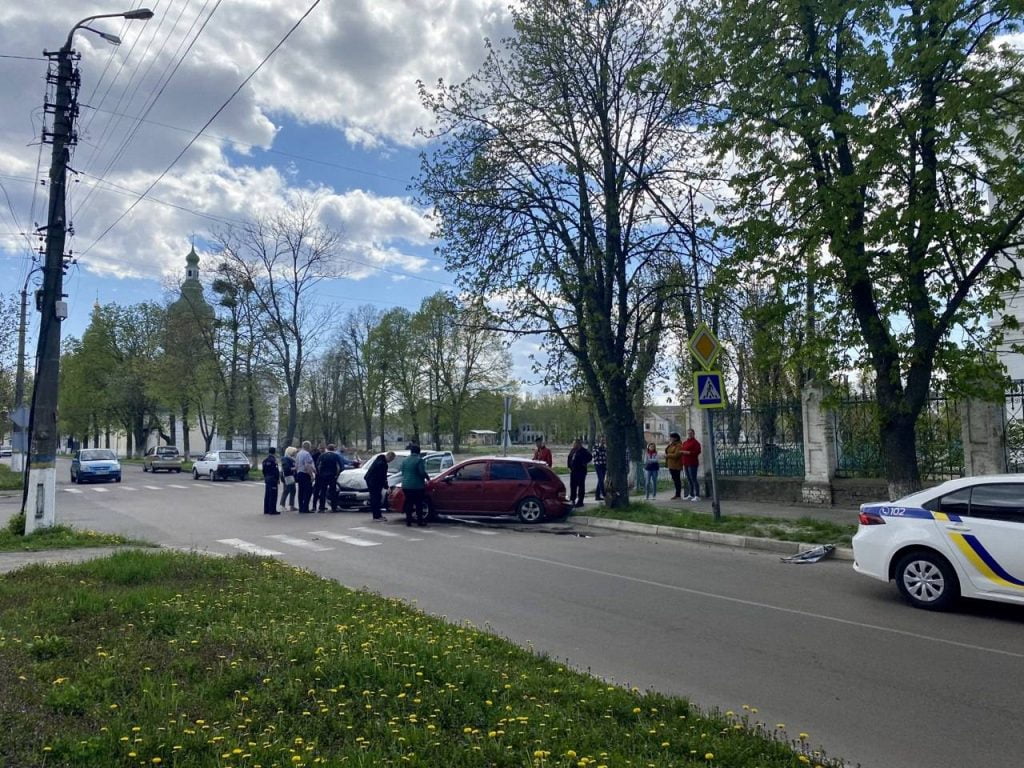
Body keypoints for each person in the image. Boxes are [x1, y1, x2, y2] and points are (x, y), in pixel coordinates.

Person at [400, 444, 431, 527]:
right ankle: (419, 521)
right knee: (418, 504)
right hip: (417, 486)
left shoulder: (405, 460)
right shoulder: (419, 460)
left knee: (409, 503)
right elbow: (421, 472)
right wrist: (427, 478)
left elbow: (402, 472)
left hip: (406, 485)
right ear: (419, 451)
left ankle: (408, 521)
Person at [365, 450, 396, 521]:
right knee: (376, 498)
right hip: (374, 482)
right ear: (389, 457)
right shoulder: (383, 464)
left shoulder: (379, 459)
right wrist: (386, 487)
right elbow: (382, 477)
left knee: (375, 498)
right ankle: (376, 516)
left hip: (370, 480)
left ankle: (377, 515)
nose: (391, 461)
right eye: (391, 459)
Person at [315, 444, 344, 512]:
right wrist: (337, 474)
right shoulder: (336, 456)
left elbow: (317, 465)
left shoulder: (322, 455)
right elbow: (340, 466)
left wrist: (320, 473)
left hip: (323, 476)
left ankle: (321, 507)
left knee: (323, 491)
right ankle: (334, 507)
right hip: (332, 476)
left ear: (327, 449)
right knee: (333, 491)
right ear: (334, 449)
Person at [566, 438, 592, 508]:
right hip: (573, 471)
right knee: (573, 486)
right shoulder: (573, 450)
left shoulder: (583, 451)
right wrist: (569, 466)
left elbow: (590, 457)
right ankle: (572, 499)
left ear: (578, 444)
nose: (573, 445)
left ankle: (580, 501)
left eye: (574, 443)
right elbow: (569, 458)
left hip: (581, 471)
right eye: (573, 444)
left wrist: (584, 463)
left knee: (581, 486)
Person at [681, 428, 702, 501]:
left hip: (692, 463)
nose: (689, 434)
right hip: (686, 463)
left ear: (693, 434)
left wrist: (688, 452)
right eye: (688, 433)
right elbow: (682, 449)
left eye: (691, 433)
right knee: (689, 479)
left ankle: (697, 495)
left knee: (693, 479)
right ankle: (691, 494)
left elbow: (697, 452)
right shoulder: (685, 442)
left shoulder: (696, 443)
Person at [295, 441, 316, 513]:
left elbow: (296, 465)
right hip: (305, 474)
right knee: (308, 492)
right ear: (308, 447)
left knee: (301, 491)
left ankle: (301, 507)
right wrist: (312, 475)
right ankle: (305, 508)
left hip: (299, 474)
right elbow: (307, 465)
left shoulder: (298, 454)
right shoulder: (307, 454)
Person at [261, 447, 280, 515]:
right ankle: (272, 510)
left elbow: (263, 470)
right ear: (274, 452)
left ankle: (266, 509)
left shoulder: (265, 460)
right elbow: (276, 470)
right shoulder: (273, 460)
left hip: (267, 478)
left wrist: (265, 476)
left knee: (267, 494)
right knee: (273, 495)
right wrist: (277, 479)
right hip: (273, 479)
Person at [665, 432, 684, 499]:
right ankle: (677, 494)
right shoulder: (671, 445)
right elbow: (667, 451)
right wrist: (669, 445)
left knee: (677, 480)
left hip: (676, 465)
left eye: (671, 437)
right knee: (675, 479)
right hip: (671, 465)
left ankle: (678, 494)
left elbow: (676, 455)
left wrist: (667, 455)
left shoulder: (678, 445)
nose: (670, 439)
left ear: (675, 438)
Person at [279, 446, 297, 512]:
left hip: (291, 476)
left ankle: (291, 505)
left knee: (293, 490)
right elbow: (286, 468)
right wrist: (294, 468)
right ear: (291, 452)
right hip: (287, 476)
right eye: (294, 452)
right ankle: (282, 505)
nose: (295, 453)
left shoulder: (292, 459)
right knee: (286, 490)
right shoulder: (285, 458)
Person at [592, 436, 607, 501]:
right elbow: (595, 454)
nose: (603, 442)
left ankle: (597, 495)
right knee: (601, 479)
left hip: (604, 464)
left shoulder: (605, 447)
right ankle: (603, 493)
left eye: (604, 441)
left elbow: (606, 456)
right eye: (602, 441)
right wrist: (600, 447)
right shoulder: (595, 447)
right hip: (598, 464)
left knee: (601, 479)